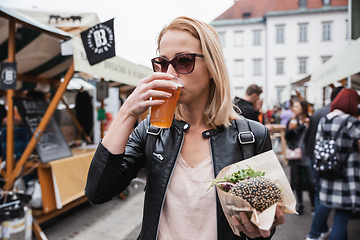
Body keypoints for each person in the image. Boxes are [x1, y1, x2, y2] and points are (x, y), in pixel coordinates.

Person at [85, 16, 285, 240]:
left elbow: (266, 221)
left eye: (183, 61)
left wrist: (260, 228)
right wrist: (127, 112)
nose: (169, 73)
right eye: (162, 63)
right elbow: (98, 192)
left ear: (211, 66)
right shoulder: (151, 131)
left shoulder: (251, 136)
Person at [306, 88, 360, 240]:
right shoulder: (351, 122)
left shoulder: (325, 120)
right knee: (341, 219)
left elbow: (318, 144)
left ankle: (313, 234)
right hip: (347, 176)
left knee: (329, 209)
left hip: (328, 172)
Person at [303, 87, 343, 237]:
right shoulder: (334, 114)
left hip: (315, 157)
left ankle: (321, 226)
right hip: (329, 161)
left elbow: (308, 135)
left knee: (319, 191)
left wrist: (309, 154)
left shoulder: (319, 111)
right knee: (324, 195)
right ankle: (316, 231)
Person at [285, 99, 315, 215]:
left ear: (303, 107)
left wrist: (307, 127)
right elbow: (287, 137)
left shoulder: (310, 120)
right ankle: (300, 203)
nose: (294, 109)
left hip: (306, 154)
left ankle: (313, 204)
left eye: (297, 106)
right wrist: (290, 130)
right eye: (294, 106)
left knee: (310, 181)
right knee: (296, 181)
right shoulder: (292, 121)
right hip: (295, 154)